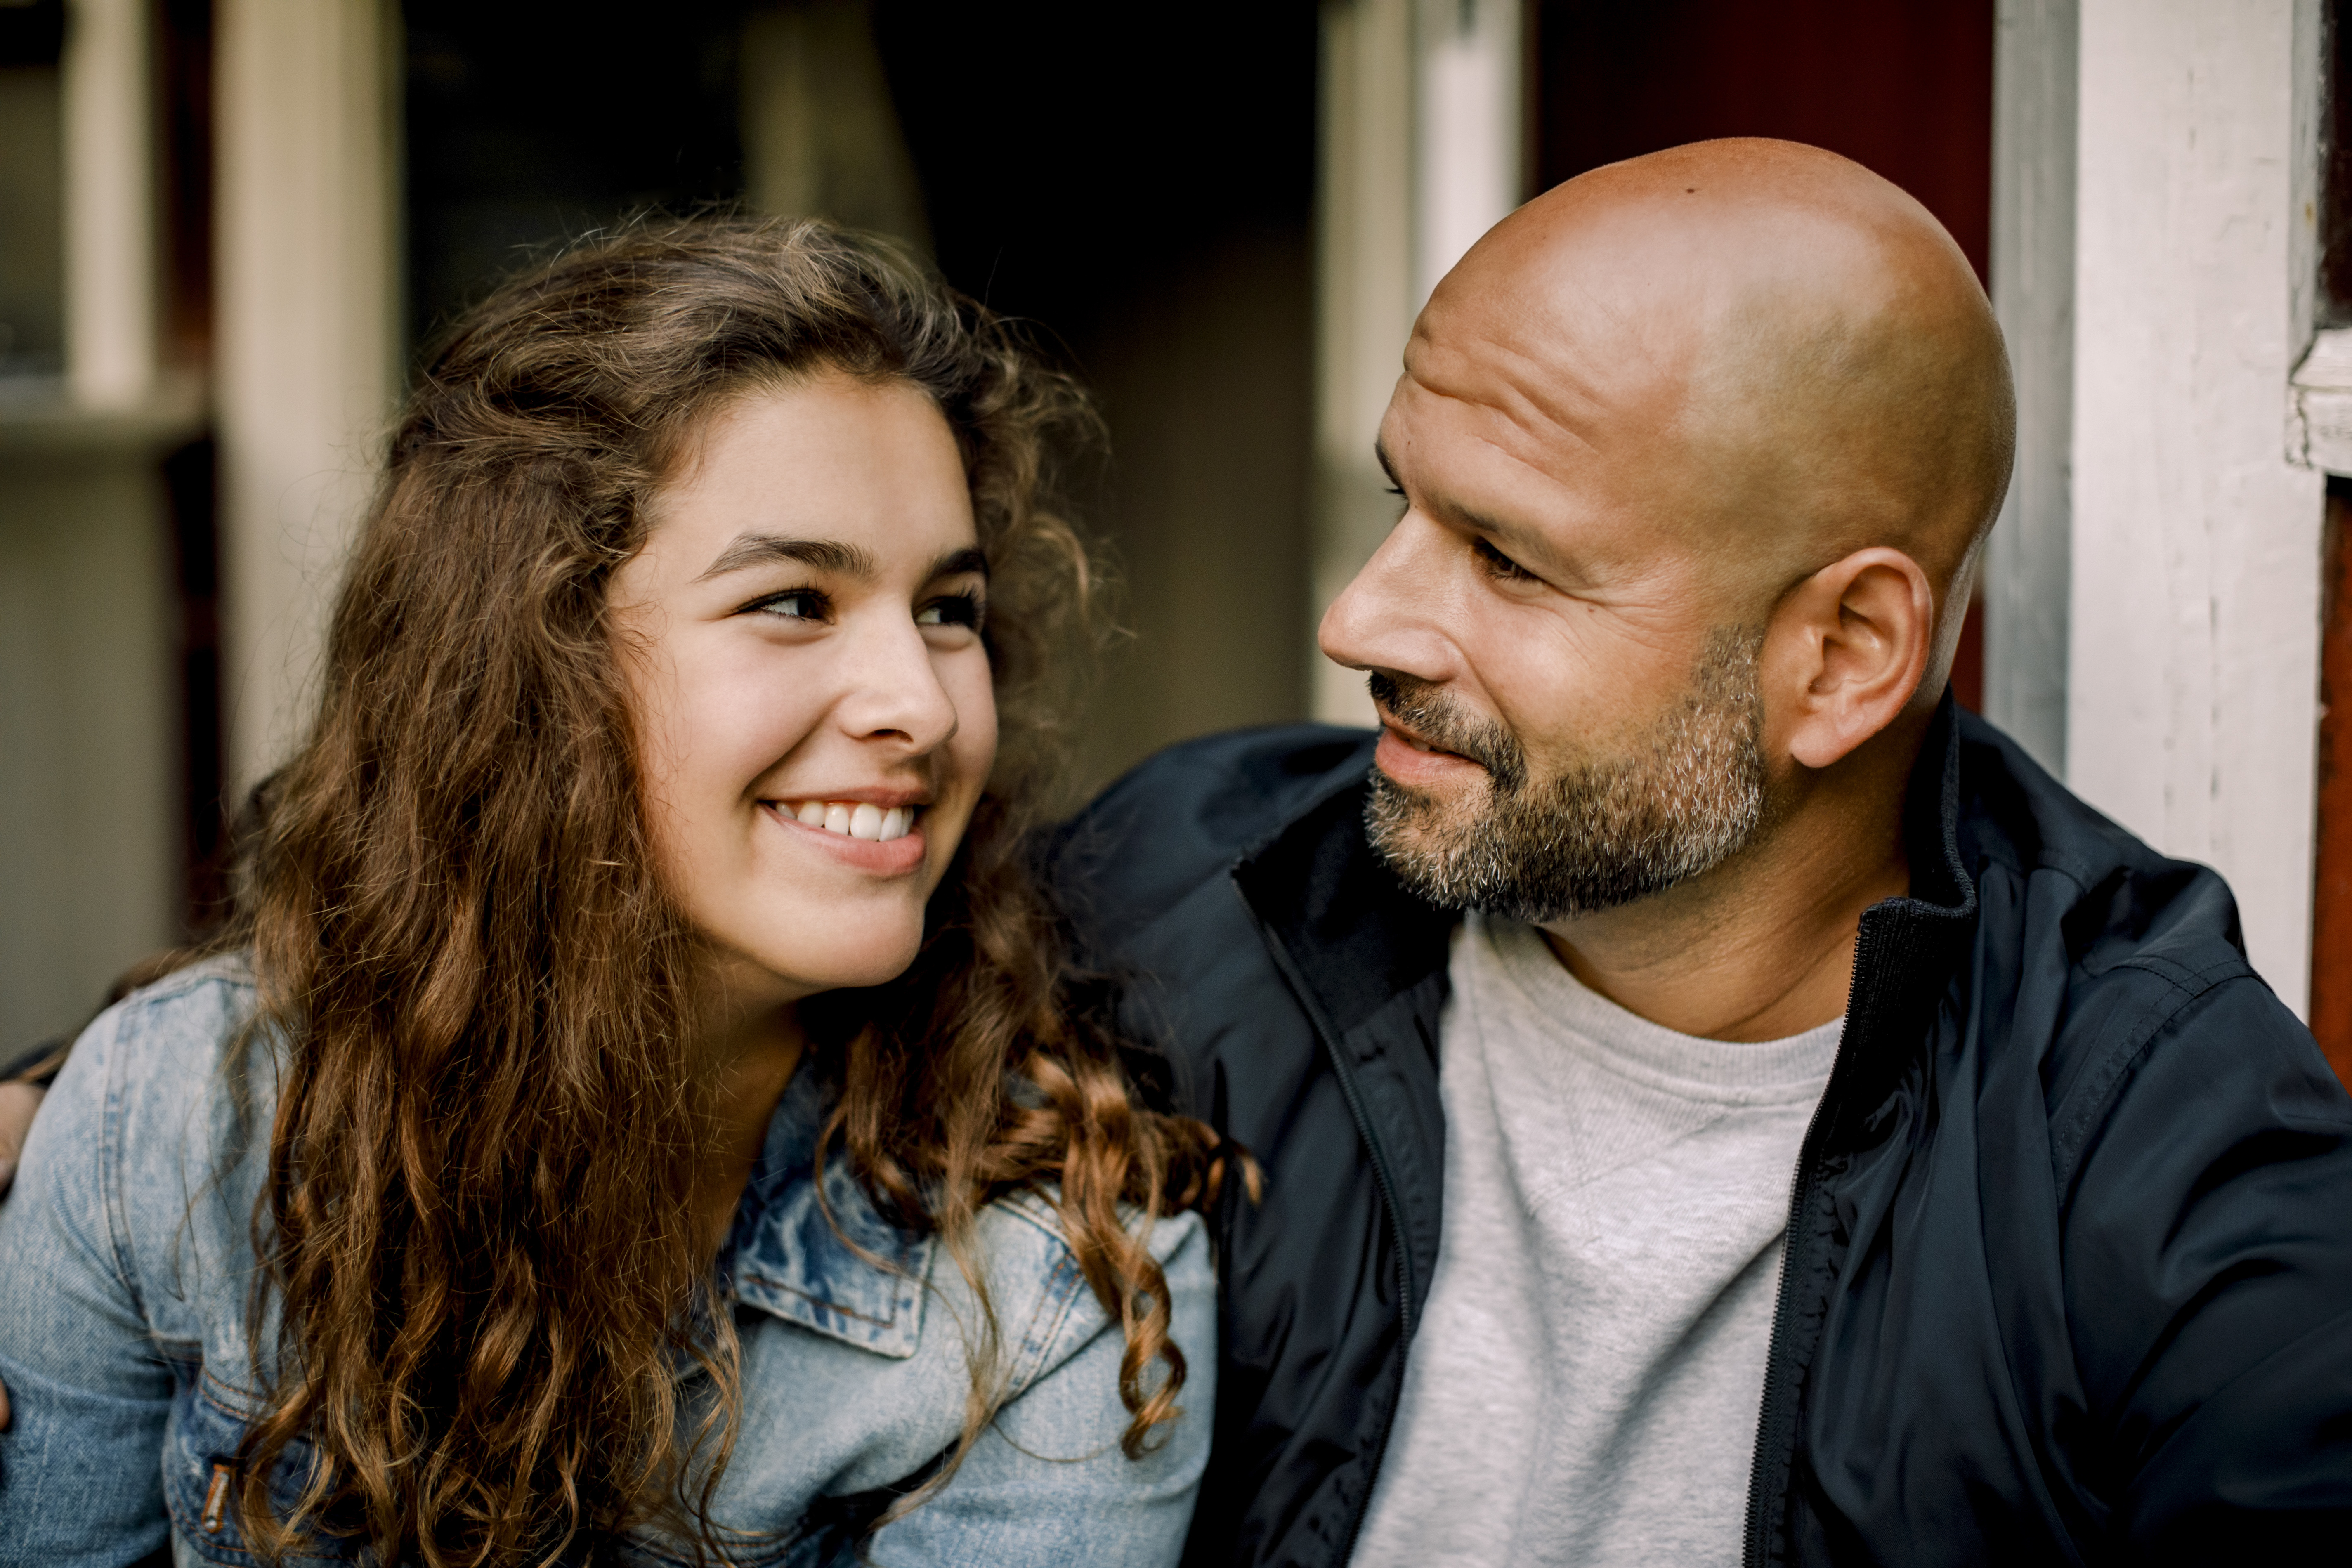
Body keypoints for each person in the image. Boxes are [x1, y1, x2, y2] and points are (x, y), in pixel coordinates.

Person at [1048, 139, 2352, 1567]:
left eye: (1506, 558)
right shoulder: (1167, 892)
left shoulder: (2152, 1143)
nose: (1359, 621)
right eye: (1400, 506)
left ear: (1842, 657)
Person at [0, 218, 1221, 1566]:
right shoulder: (160, 1134)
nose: (921, 705)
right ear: (533, 668)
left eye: (948, 608)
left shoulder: (1063, 1277)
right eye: (795, 602)